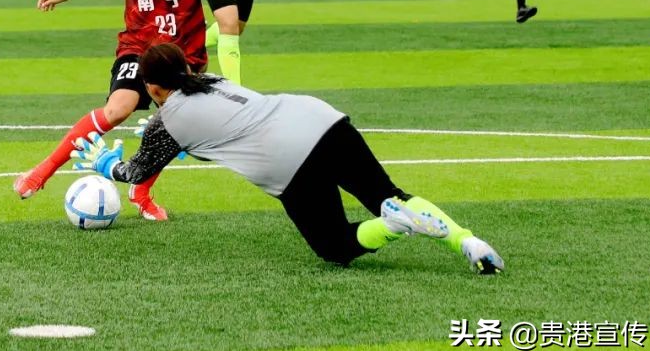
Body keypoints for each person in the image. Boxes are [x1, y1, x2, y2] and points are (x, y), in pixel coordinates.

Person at [72, 42, 504, 274]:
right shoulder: (211, 79)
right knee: (388, 192)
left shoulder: (165, 123)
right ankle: (467, 241)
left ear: (150, 87)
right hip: (320, 117)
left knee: (334, 246)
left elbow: (136, 172)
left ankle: (393, 225)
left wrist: (106, 165)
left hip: (288, 158)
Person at [15, 0, 233, 220]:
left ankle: (141, 192)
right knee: (118, 109)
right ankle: (41, 171)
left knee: (174, 127)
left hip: (183, 57)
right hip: (139, 49)